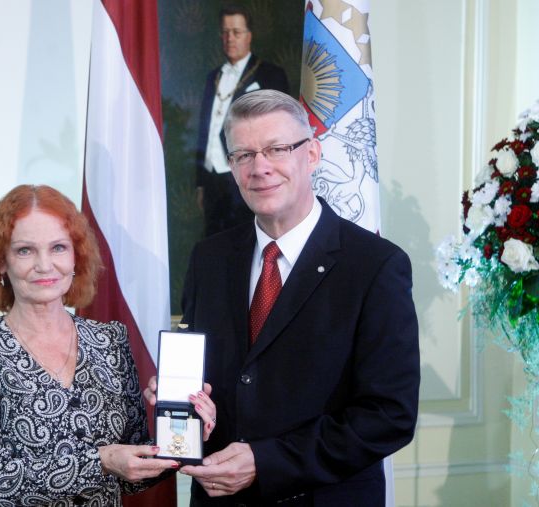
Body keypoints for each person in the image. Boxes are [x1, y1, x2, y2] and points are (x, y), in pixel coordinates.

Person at [146, 90, 420, 505]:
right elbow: (217, 382)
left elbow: (389, 415)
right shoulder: (209, 259)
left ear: (311, 154)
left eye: (276, 149)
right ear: (232, 166)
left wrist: (266, 462)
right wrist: (180, 398)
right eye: (244, 155)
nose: (260, 168)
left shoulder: (375, 266)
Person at [0, 184, 216, 506]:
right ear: (1, 261)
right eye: (25, 250)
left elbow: (131, 474)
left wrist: (184, 435)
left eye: (58, 247)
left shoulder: (110, 341)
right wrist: (101, 461)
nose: (45, 265)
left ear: (76, 256)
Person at [196, 5, 290, 237]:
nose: (230, 38)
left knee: (246, 240)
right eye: (225, 32)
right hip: (212, 178)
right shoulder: (212, 77)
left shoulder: (269, 75)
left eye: (236, 32)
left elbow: (280, 129)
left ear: (249, 36)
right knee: (214, 242)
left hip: (247, 173)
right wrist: (201, 181)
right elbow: (204, 130)